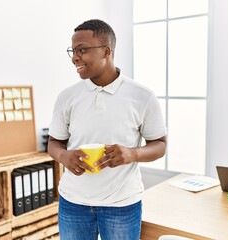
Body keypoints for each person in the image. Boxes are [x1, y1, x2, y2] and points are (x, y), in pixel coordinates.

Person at [48, 19, 167, 240]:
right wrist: (64, 156)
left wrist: (132, 153)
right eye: (72, 51)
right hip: (73, 204)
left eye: (82, 50)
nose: (75, 57)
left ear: (106, 51)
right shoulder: (67, 96)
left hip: (122, 205)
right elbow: (54, 143)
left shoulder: (142, 96)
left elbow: (159, 145)